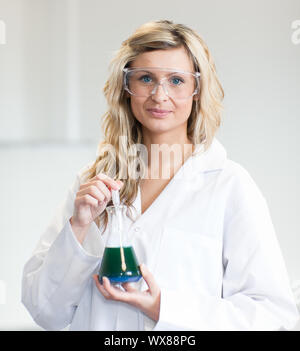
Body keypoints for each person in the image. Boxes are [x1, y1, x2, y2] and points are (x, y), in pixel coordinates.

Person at [21, 19, 299, 331]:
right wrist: (79, 227)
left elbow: (273, 316)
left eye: (176, 80)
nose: (159, 95)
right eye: (145, 78)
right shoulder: (92, 183)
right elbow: (46, 312)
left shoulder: (229, 186)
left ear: (197, 90)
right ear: (127, 88)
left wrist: (164, 308)